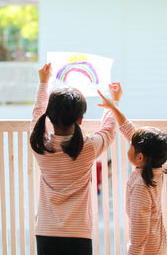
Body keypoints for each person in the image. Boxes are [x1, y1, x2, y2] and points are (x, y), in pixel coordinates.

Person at [30, 63, 122, 255]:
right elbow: (109, 130)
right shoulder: (87, 148)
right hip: (78, 232)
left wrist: (43, 83)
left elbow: (37, 113)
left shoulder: (39, 144)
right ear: (80, 120)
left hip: (46, 231)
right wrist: (114, 102)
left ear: (50, 117)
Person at [98, 84, 167, 255]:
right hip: (156, 244)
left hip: (146, 249)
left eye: (131, 146)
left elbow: (138, 234)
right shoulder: (155, 167)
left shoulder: (141, 188)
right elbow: (129, 131)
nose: (129, 144)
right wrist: (114, 106)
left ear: (140, 157)